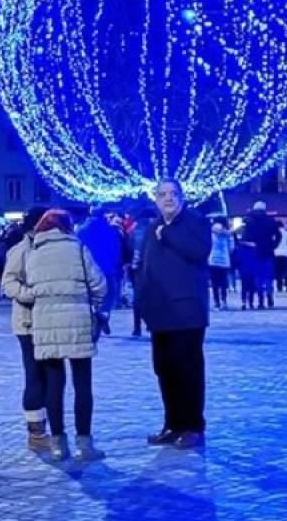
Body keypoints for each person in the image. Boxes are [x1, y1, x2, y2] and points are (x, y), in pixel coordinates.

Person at [16, 210, 108, 462]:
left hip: (45, 323)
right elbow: (99, 284)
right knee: (83, 385)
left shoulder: (35, 252)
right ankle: (85, 443)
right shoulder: (78, 249)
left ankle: (58, 443)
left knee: (54, 386)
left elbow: (30, 286)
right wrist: (93, 304)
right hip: (77, 319)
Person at [135, 179, 212, 449]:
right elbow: (145, 265)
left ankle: (193, 426)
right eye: (162, 194)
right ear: (155, 199)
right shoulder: (154, 226)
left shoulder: (196, 222)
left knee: (188, 370)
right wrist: (141, 300)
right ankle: (172, 424)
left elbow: (199, 252)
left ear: (182, 197)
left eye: (173, 194)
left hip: (187, 311)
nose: (168, 198)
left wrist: (168, 235)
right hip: (160, 312)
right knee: (165, 370)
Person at [0, 207, 53, 454]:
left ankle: (50, 427)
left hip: (50, 322)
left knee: (51, 376)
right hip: (28, 322)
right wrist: (29, 295)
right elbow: (8, 282)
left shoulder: (48, 248)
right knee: (34, 376)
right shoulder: (20, 251)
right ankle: (36, 432)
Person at [77, 207, 124, 340]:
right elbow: (117, 251)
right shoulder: (111, 230)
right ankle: (103, 315)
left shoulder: (81, 231)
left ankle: (94, 318)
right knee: (110, 295)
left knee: (90, 297)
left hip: (88, 270)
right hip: (107, 269)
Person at [239, 202, 280, 309]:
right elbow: (278, 235)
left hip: (254, 252)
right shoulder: (270, 221)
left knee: (258, 277)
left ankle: (260, 300)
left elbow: (244, 238)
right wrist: (273, 245)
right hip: (268, 251)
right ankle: (269, 295)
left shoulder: (248, 220)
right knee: (268, 277)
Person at [208, 217, 233, 310]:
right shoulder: (228, 235)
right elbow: (231, 248)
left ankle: (216, 303)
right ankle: (224, 301)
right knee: (223, 283)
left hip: (212, 260)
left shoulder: (210, 234)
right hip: (224, 261)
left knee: (214, 283)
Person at [273, 219, 287, 293]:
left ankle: (279, 287)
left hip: (276, 254)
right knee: (286, 271)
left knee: (278, 271)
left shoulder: (274, 234)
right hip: (286, 254)